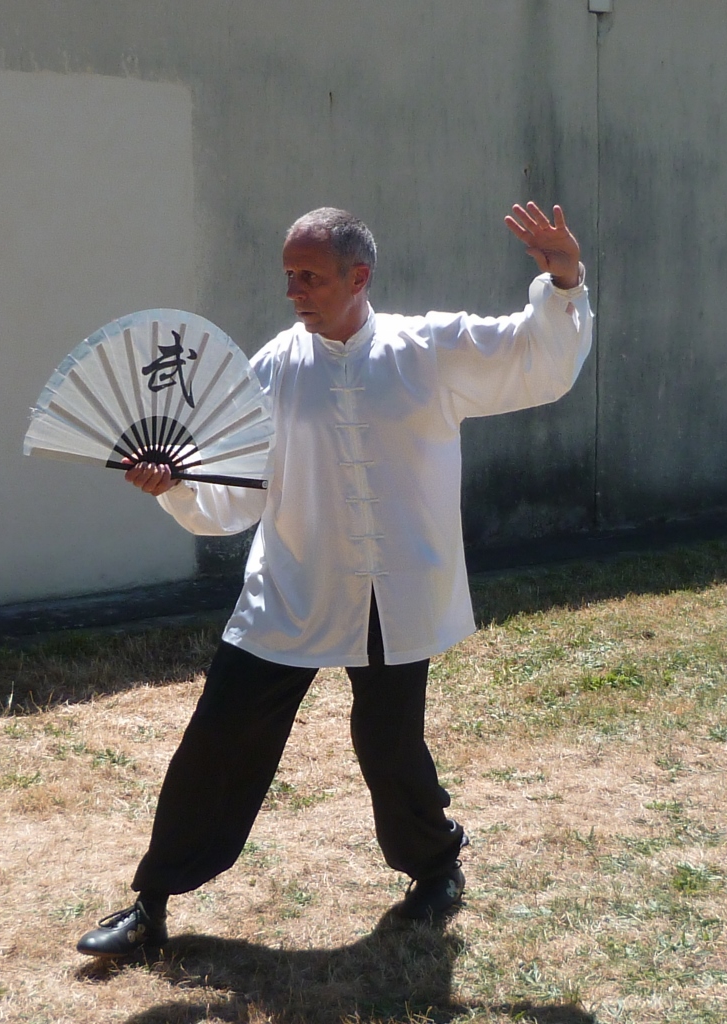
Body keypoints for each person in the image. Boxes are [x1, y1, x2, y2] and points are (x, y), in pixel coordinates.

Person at [76, 201, 593, 957]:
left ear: (360, 276)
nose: (294, 292)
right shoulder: (272, 370)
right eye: (288, 277)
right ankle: (151, 902)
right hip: (291, 585)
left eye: (309, 276)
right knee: (222, 735)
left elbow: (535, 359)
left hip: (395, 590)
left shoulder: (428, 349)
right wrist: (179, 486)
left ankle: (435, 862)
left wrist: (564, 278)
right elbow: (234, 492)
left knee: (388, 744)